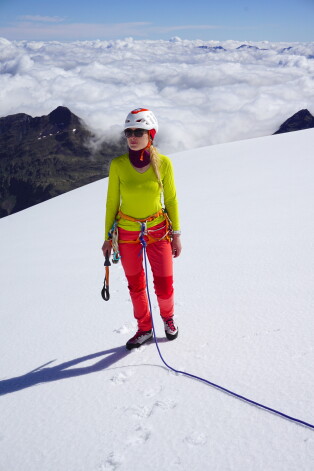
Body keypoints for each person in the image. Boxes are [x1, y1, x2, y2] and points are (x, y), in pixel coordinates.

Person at [102, 108, 182, 350]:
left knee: (164, 283)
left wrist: (176, 235)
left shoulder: (164, 164)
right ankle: (144, 328)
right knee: (135, 285)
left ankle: (168, 319)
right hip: (126, 234)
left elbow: (171, 200)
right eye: (129, 132)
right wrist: (107, 238)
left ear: (151, 134)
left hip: (158, 232)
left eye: (139, 131)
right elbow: (111, 202)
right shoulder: (118, 165)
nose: (133, 137)